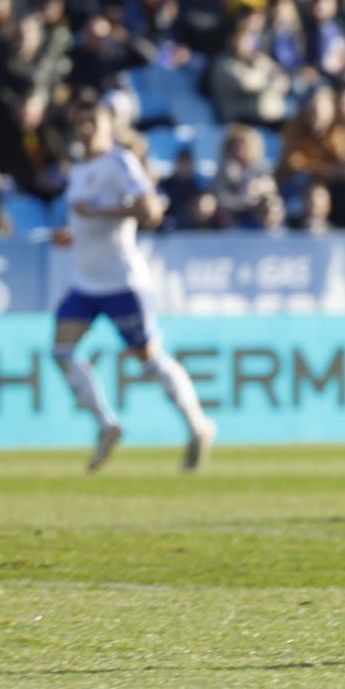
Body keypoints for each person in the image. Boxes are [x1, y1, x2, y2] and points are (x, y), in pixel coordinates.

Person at [51, 99, 217, 473]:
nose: (87, 128)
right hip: (84, 283)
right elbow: (85, 221)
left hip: (122, 282)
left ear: (111, 126)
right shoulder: (79, 170)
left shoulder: (119, 162)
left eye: (95, 120)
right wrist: (73, 232)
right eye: (83, 121)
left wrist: (100, 214)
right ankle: (107, 425)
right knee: (61, 351)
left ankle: (198, 426)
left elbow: (152, 212)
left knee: (150, 361)